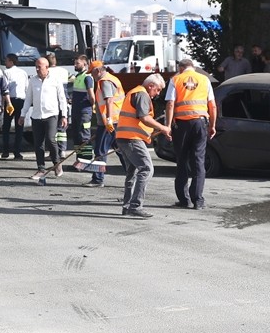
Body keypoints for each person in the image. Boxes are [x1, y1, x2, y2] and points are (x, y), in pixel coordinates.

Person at [114, 73, 172, 219]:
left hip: (124, 137)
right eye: (158, 90)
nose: (157, 94)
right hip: (132, 139)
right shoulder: (142, 94)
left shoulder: (135, 92)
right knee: (146, 169)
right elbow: (144, 117)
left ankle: (128, 207)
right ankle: (135, 206)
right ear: (151, 86)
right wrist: (163, 128)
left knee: (132, 172)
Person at [165, 58, 217, 210]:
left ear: (180, 68)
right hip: (200, 123)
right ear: (193, 68)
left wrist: (168, 125)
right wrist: (212, 125)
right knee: (198, 161)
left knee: (181, 160)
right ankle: (198, 200)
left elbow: (170, 103)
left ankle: (184, 200)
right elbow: (212, 105)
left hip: (181, 125)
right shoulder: (205, 79)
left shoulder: (175, 79)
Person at [23, 56, 67, 184]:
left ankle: (57, 163)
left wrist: (64, 115)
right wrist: (22, 114)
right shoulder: (33, 81)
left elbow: (62, 99)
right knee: (38, 143)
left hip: (51, 115)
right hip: (37, 116)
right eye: (36, 67)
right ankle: (41, 169)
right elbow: (28, 99)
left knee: (50, 139)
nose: (37, 69)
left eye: (39, 67)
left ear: (47, 67)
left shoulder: (55, 80)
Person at [86, 60, 124, 187]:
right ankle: (132, 174)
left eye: (92, 73)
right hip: (115, 121)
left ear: (97, 71)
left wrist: (108, 120)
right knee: (120, 149)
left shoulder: (105, 81)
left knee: (100, 150)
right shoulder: (111, 78)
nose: (92, 76)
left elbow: (109, 101)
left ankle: (97, 179)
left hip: (109, 123)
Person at [0, 54, 28, 161]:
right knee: (19, 127)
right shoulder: (23, 72)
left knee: (6, 127)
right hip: (21, 100)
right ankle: (17, 153)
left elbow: (4, 89)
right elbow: (26, 88)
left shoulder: (6, 72)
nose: (5, 62)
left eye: (6, 61)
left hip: (10, 101)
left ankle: (5, 151)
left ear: (11, 62)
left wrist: (3, 104)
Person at [68, 54, 95, 163]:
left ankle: (86, 160)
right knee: (76, 136)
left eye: (77, 63)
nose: (75, 65)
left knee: (84, 136)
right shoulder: (78, 76)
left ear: (84, 64)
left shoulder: (87, 77)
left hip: (84, 112)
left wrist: (91, 106)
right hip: (76, 111)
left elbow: (92, 96)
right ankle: (79, 160)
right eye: (74, 63)